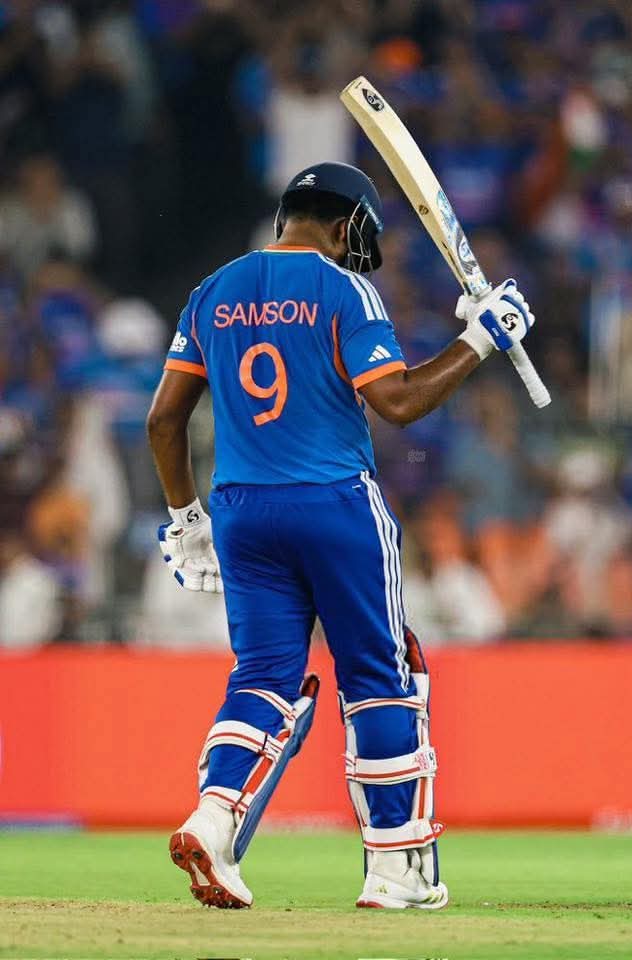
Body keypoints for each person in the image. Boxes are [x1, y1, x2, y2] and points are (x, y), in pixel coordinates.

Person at [147, 161, 536, 910]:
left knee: (262, 679)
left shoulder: (213, 290)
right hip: (335, 503)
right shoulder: (345, 289)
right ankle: (396, 869)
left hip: (241, 510)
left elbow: (164, 419)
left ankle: (213, 821)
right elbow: (397, 403)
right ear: (347, 223)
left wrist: (187, 517)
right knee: (381, 675)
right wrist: (480, 340)